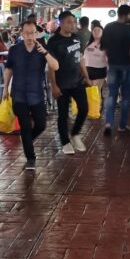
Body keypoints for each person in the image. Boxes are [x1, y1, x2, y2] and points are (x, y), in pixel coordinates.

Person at [4, 20, 60, 172]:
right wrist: (4, 89)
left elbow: (55, 66)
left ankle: (27, 140)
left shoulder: (42, 49)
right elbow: (8, 69)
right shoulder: (15, 50)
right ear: (22, 34)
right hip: (18, 94)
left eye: (33, 33)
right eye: (27, 33)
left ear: (37, 33)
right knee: (25, 126)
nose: (30, 36)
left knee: (41, 124)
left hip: (36, 94)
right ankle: (30, 158)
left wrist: (46, 53)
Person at [46, 11, 91, 155]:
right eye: (69, 22)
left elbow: (80, 58)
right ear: (61, 23)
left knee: (84, 108)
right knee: (63, 114)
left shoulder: (77, 38)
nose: (73, 25)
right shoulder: (53, 42)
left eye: (74, 22)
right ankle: (65, 142)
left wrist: (86, 75)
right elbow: (50, 66)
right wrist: (53, 85)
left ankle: (75, 133)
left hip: (77, 82)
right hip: (61, 83)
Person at [101, 4, 130, 135]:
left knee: (111, 94)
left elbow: (104, 47)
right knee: (125, 96)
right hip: (127, 65)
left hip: (113, 64)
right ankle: (122, 125)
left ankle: (108, 123)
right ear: (126, 15)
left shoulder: (108, 27)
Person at [84, 24, 108, 90]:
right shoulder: (88, 43)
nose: (96, 32)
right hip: (87, 70)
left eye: (99, 30)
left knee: (95, 91)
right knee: (89, 92)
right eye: (94, 30)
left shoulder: (105, 44)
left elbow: (108, 59)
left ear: (103, 32)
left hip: (99, 70)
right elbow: (84, 57)